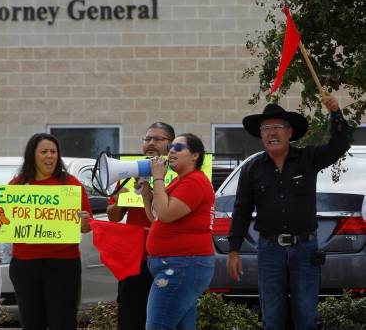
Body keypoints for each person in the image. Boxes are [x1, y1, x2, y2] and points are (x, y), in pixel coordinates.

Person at [227, 93, 350, 330]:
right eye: (266, 128)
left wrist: (336, 113)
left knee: (306, 317)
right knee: (272, 318)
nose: (272, 133)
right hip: (269, 250)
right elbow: (241, 210)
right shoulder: (252, 169)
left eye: (277, 127)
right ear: (260, 135)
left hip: (305, 250)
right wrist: (233, 250)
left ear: (290, 132)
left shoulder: (308, 158)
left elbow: (339, 145)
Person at [0, 133, 92, 329]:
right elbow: (3, 221)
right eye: (44, 152)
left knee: (63, 322)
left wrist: (84, 221)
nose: (50, 156)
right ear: (33, 155)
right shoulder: (18, 185)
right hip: (25, 266)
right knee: (32, 323)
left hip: (63, 265)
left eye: (53, 152)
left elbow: (87, 227)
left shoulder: (71, 184)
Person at [106, 121, 174, 330]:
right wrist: (119, 198)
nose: (151, 143)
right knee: (131, 316)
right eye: (147, 139)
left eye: (158, 139)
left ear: (171, 145)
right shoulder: (129, 171)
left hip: (167, 258)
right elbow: (114, 217)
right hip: (135, 259)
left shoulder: (177, 174)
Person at [145, 133, 215, 330]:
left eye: (178, 147)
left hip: (182, 265)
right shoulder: (181, 181)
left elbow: (166, 214)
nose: (171, 151)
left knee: (157, 326)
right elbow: (157, 217)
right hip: (179, 264)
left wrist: (158, 177)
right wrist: (146, 195)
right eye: (170, 148)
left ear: (195, 155)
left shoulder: (193, 182)